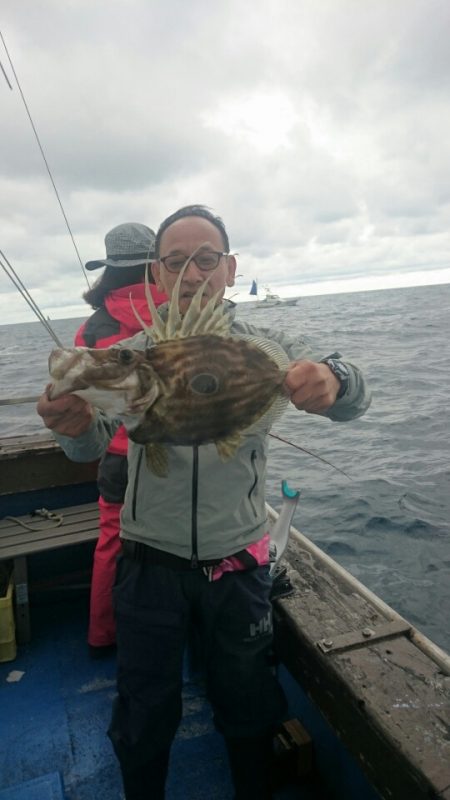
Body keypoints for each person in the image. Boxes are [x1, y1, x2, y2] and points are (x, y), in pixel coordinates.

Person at [37, 205, 371, 799]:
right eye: (175, 261)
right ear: (157, 275)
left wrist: (334, 379)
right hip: (147, 565)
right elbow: (85, 445)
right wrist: (71, 422)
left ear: (231, 268)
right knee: (143, 711)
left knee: (248, 704)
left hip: (237, 562)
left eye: (207, 259)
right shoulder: (136, 352)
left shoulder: (266, 344)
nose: (192, 273)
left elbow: (349, 386)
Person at [75, 223, 167, 657]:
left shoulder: (91, 330)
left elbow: (84, 403)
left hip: (116, 455)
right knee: (175, 547)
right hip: (173, 451)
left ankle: (102, 634)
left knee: (112, 542)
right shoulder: (176, 315)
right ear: (157, 265)